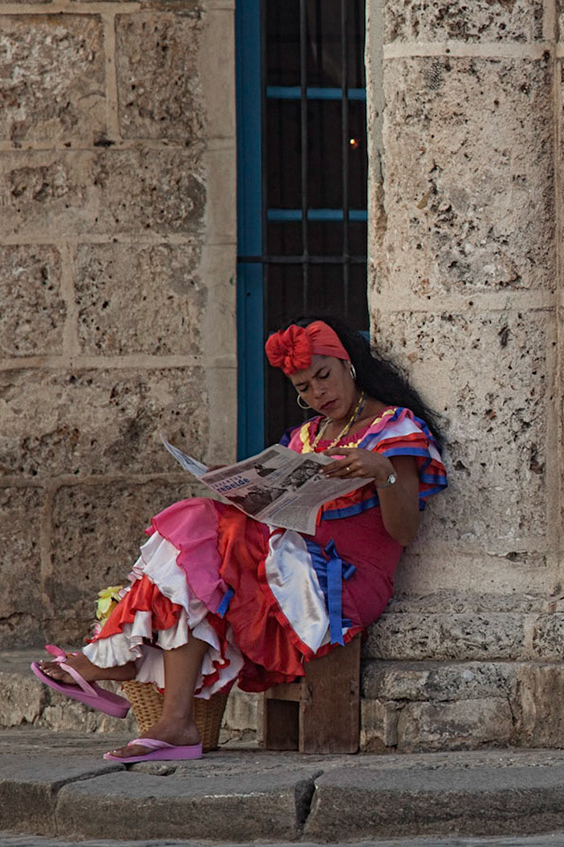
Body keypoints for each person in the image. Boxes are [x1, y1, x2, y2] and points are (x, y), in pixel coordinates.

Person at [31, 319, 447, 761]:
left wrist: (380, 470)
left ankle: (116, 664)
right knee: (199, 553)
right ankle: (175, 723)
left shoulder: (395, 428)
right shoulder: (305, 437)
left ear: (349, 364)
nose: (317, 394)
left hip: (344, 583)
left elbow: (403, 531)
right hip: (287, 561)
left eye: (324, 377)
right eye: (303, 388)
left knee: (202, 528)